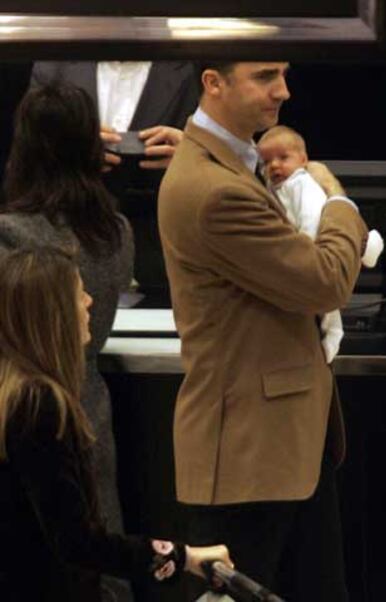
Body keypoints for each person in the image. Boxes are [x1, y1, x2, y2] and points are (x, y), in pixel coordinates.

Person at [158, 61, 369, 601]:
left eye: (285, 73)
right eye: (265, 75)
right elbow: (325, 281)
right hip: (250, 454)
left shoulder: (232, 164)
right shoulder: (215, 188)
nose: (284, 90)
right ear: (213, 82)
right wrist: (337, 197)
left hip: (281, 441)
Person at [0, 247, 232, 602]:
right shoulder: (39, 406)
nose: (90, 302)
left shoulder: (13, 396)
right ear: (54, 315)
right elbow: (78, 542)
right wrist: (182, 557)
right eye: (78, 293)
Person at [0, 83, 136, 602]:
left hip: (22, 409)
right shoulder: (117, 232)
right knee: (102, 553)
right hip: (90, 406)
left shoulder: (10, 235)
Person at [30, 61, 199, 302]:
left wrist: (194, 153)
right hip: (64, 251)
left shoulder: (195, 67)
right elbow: (25, 154)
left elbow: (232, 151)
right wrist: (65, 149)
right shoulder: (53, 65)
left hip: (167, 257)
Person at [257, 124, 384, 363]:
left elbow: (313, 213)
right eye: (266, 162)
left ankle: (364, 244)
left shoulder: (301, 182)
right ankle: (365, 244)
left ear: (303, 160)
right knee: (324, 304)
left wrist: (305, 242)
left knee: (325, 301)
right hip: (307, 250)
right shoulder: (273, 188)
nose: (273, 166)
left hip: (316, 243)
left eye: (283, 157)